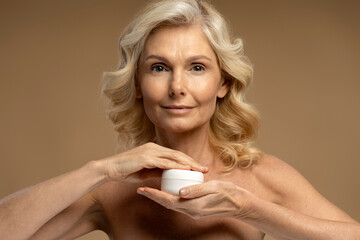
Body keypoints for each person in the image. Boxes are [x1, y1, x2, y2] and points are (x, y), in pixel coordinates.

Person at [0, 0, 359, 239]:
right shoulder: (113, 190)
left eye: (197, 68)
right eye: (159, 67)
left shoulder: (259, 178)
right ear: (138, 84)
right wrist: (98, 171)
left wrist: (248, 209)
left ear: (223, 83)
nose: (177, 87)